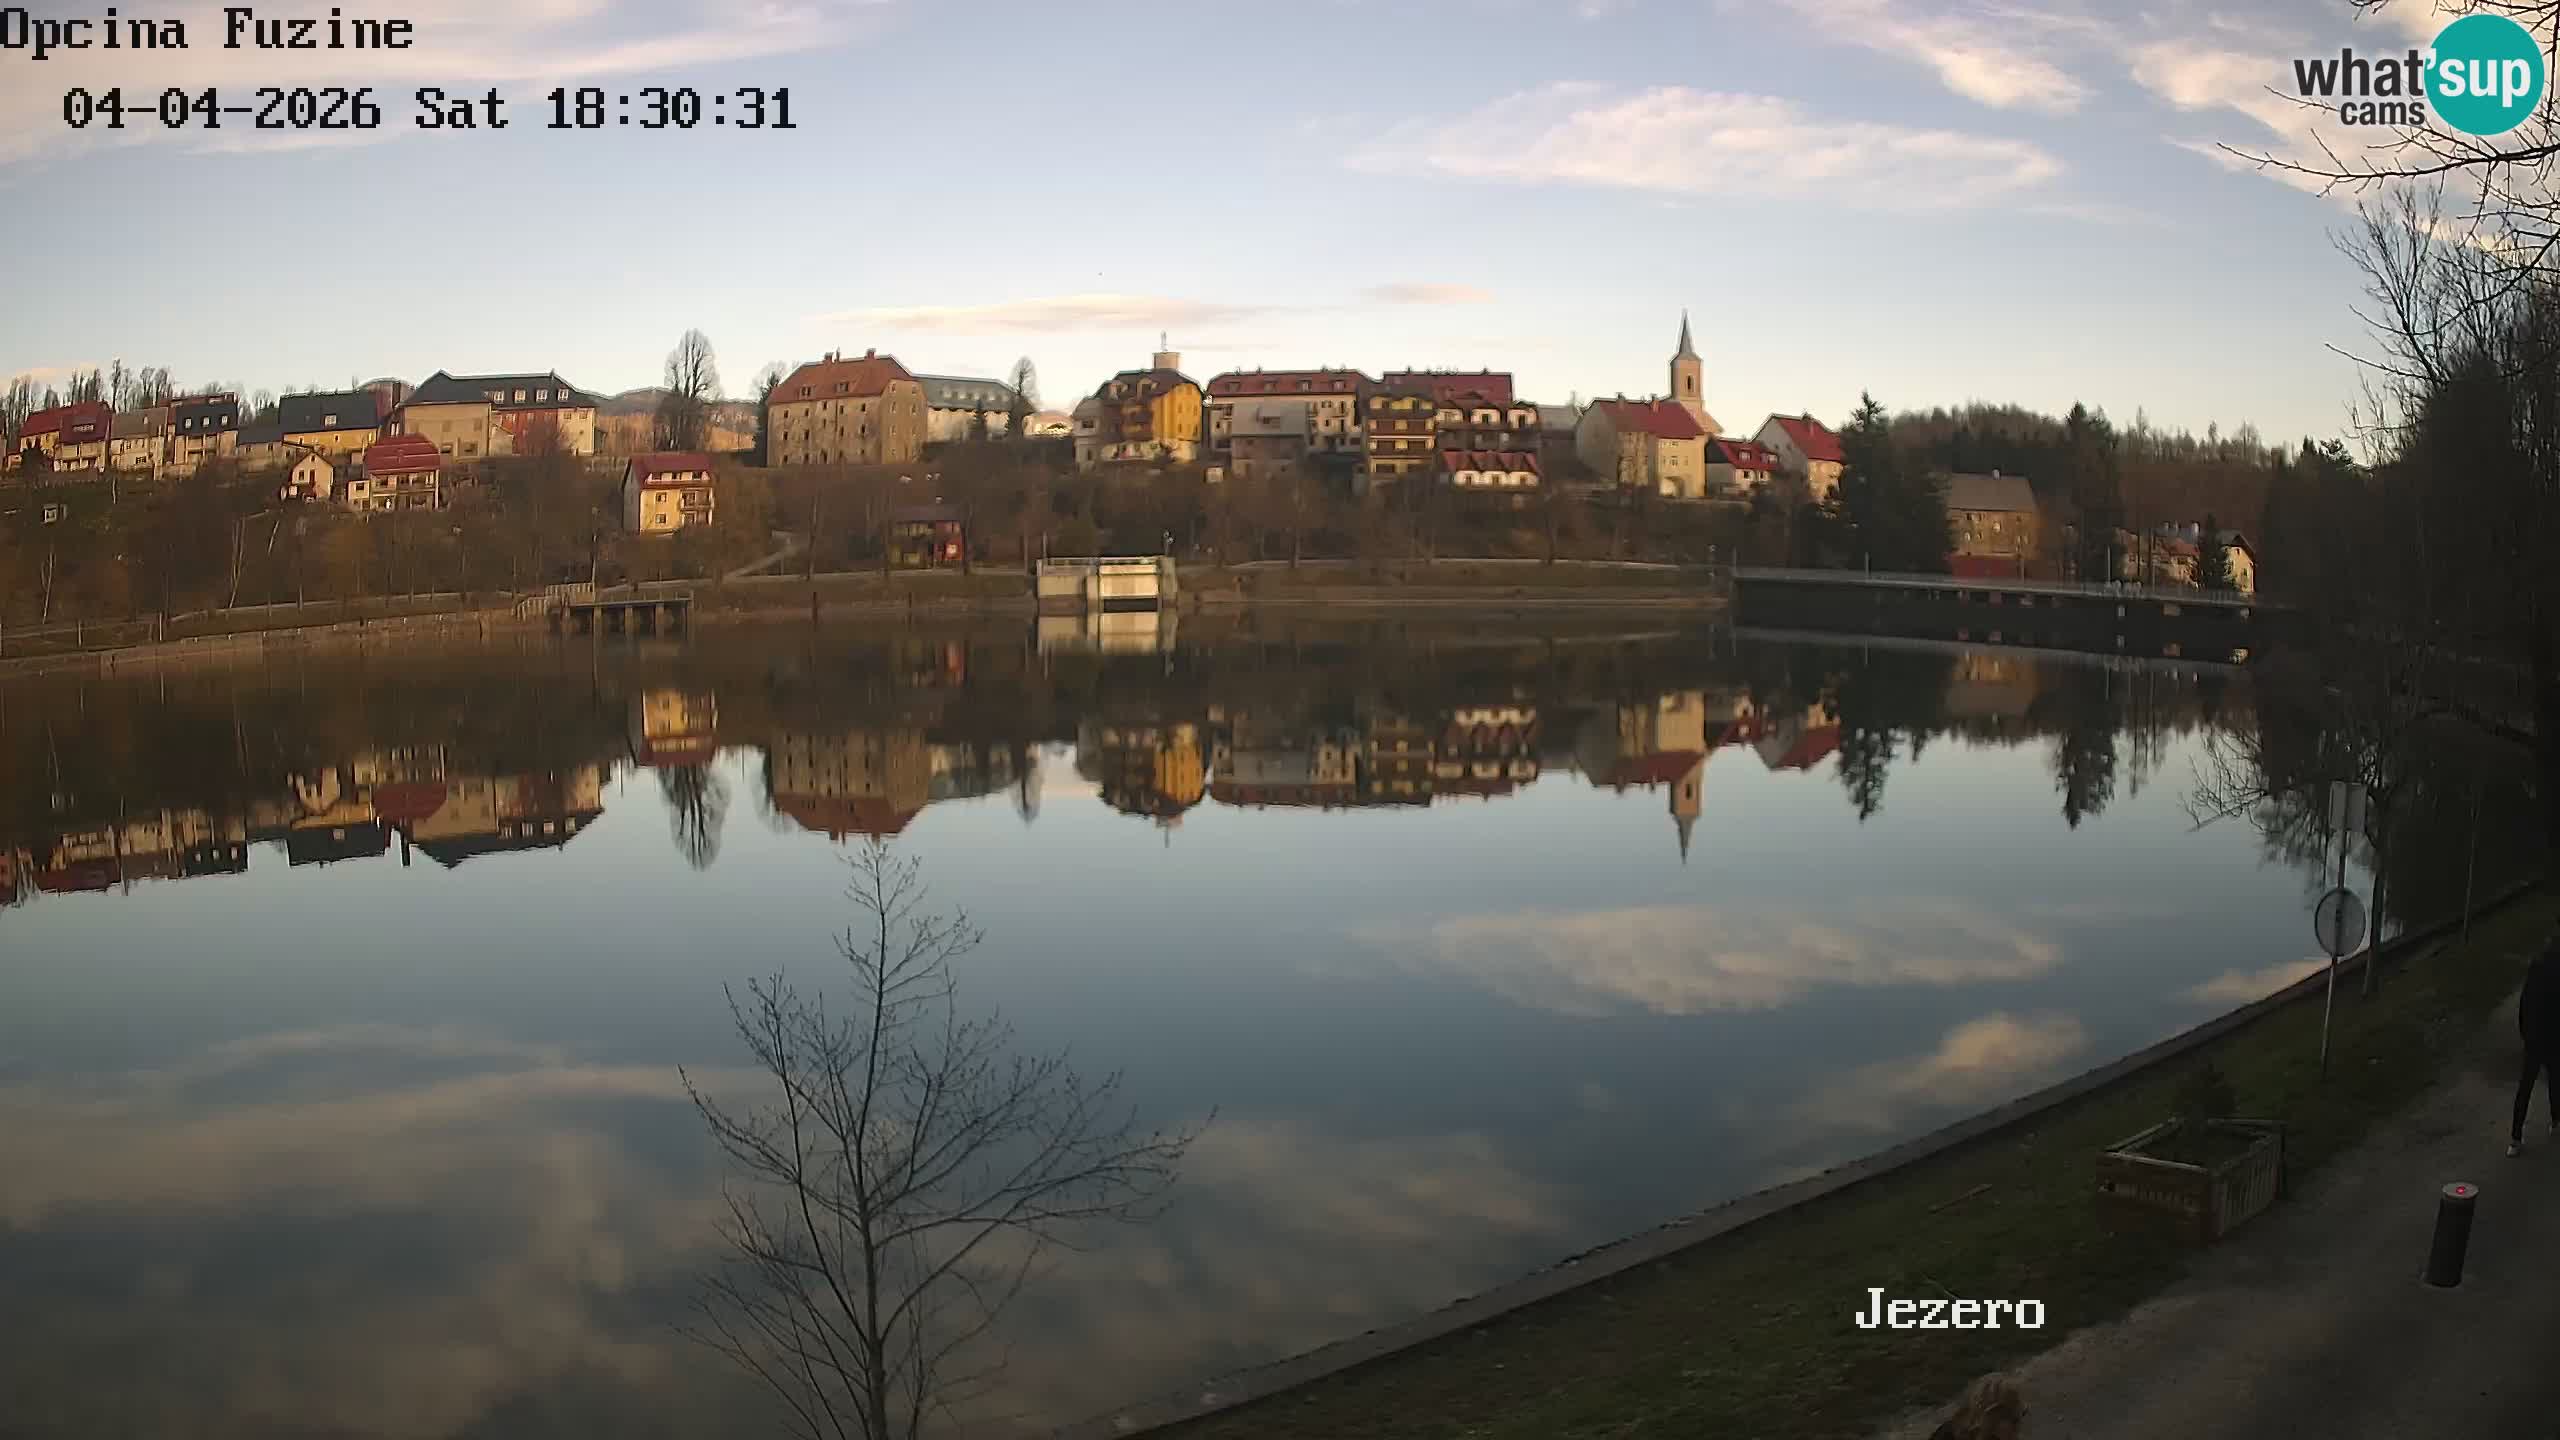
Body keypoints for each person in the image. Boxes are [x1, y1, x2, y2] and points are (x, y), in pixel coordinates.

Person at [2511, 936, 2560, 1158]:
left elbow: (2525, 1001)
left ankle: (2515, 1137)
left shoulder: (2537, 966)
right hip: (2553, 1036)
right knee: (2555, 1080)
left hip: (2534, 1036)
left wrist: (2525, 1030)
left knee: (2525, 1087)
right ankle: (2556, 1120)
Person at [1929, 1373, 2027, 1440]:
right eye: (2014, 1421)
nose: (2018, 1428)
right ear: (1992, 1416)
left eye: (2022, 1415)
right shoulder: (1947, 1435)